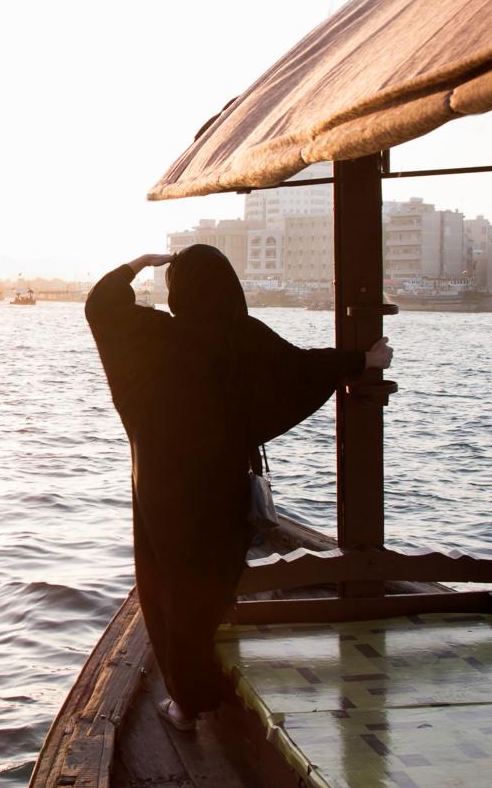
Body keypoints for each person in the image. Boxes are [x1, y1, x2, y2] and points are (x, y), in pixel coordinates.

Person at [86, 244, 392, 731]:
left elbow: (101, 305)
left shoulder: (151, 337)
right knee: (209, 583)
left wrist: (139, 264)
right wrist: (364, 358)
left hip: (161, 488)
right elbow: (302, 368)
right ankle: (206, 684)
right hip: (219, 487)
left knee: (168, 587)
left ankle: (184, 702)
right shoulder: (241, 338)